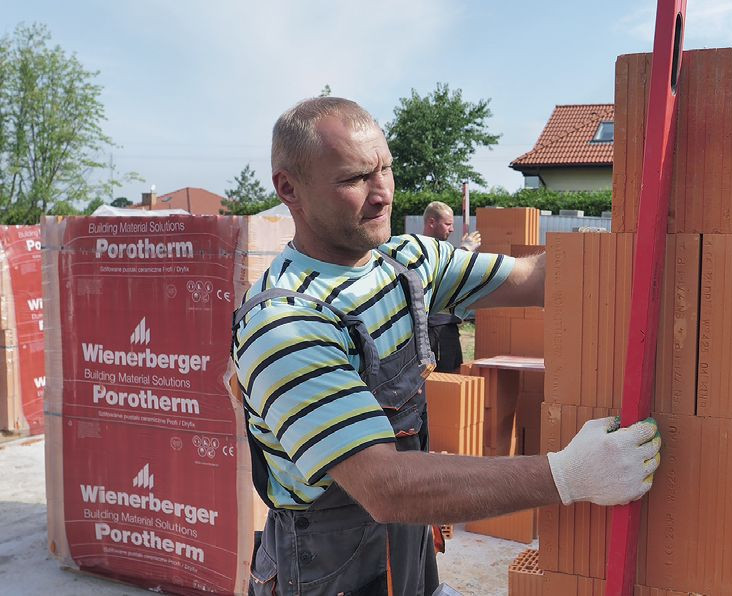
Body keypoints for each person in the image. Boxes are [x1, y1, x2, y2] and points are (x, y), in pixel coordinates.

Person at [231, 97, 661, 596]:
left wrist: (615, 246)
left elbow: (531, 277)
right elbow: (386, 485)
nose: (383, 194)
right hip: (327, 569)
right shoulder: (285, 323)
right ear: (289, 188)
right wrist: (567, 475)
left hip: (404, 550)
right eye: (354, 179)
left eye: (386, 169)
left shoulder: (407, 263)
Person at [421, 201, 480, 372]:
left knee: (455, 374)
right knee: (442, 379)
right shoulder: (422, 247)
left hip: (447, 327)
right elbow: (444, 272)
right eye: (447, 224)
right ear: (432, 222)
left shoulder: (441, 248)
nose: (452, 229)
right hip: (435, 327)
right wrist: (465, 250)